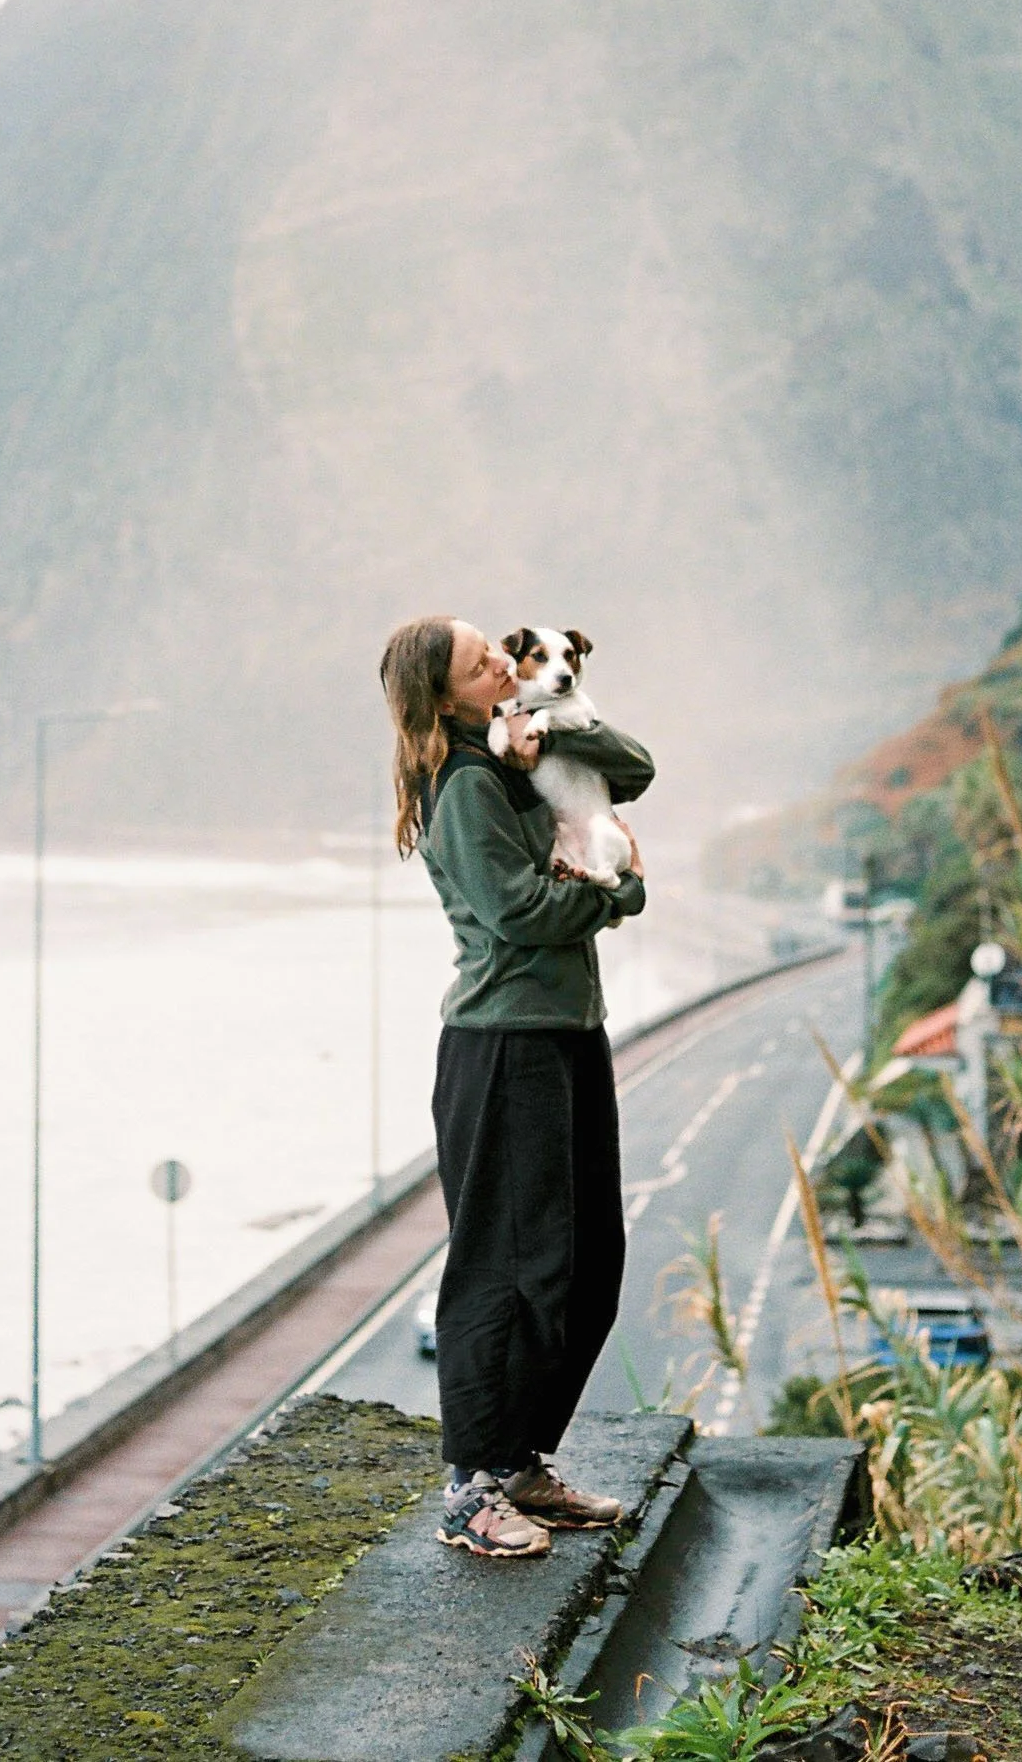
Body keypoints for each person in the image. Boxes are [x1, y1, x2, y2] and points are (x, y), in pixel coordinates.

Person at [377, 615, 653, 1559]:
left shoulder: (519, 759)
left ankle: (524, 1461)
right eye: (479, 662)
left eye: (498, 650)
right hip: (501, 1050)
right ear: (443, 695)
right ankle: (470, 1488)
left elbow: (636, 770)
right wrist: (613, 893)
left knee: (587, 1264)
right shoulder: (464, 786)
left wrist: (560, 714)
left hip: (568, 1034)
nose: (502, 661)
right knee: (502, 1268)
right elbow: (521, 910)